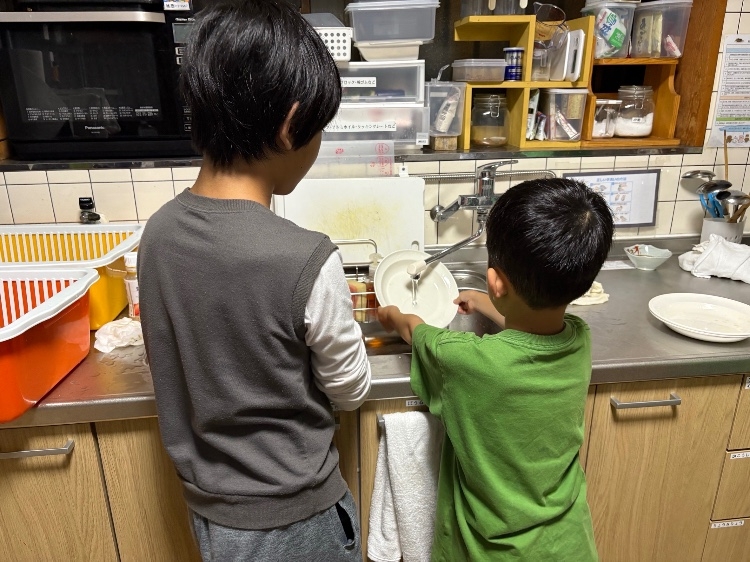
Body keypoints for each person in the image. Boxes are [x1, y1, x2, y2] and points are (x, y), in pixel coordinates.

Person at [137, 1, 371, 560]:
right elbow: (349, 389)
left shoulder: (157, 233)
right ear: (291, 126)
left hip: (213, 517)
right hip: (299, 518)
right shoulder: (307, 258)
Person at [378, 177, 614, 561]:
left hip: (487, 551)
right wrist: (485, 302)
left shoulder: (462, 361)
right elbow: (532, 331)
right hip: (567, 544)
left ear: (496, 281)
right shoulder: (578, 338)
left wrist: (391, 314)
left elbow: (414, 329)